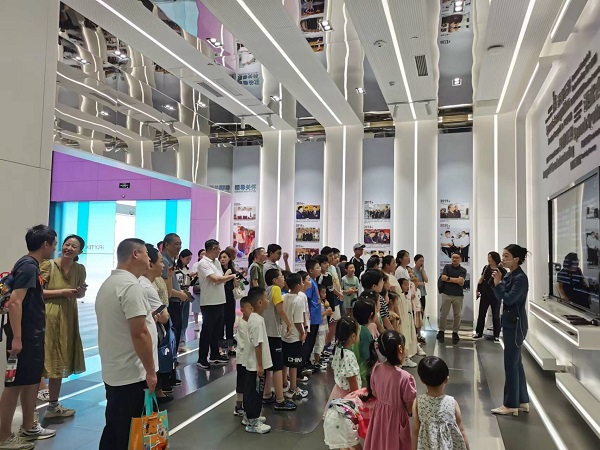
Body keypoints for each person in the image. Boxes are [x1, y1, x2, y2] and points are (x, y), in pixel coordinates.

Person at [96, 238, 157, 450]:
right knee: (129, 433)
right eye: (147, 254)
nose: (149, 259)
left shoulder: (109, 284)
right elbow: (139, 333)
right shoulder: (130, 286)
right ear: (135, 254)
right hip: (132, 374)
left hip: (115, 370)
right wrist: (151, 371)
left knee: (115, 427)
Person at [0, 225, 57, 449]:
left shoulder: (28, 265)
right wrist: (18, 338)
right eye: (54, 244)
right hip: (24, 337)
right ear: (45, 244)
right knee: (14, 385)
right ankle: (3, 436)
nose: (54, 248)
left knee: (31, 381)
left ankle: (28, 426)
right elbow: (15, 302)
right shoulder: (28, 267)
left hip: (31, 336)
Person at [39, 234, 87, 419]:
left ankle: (53, 405)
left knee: (59, 359)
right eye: (67, 244)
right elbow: (37, 293)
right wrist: (62, 292)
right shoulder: (48, 266)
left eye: (74, 246)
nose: (69, 248)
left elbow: (79, 295)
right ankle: (33, 410)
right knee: (44, 358)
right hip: (48, 317)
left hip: (67, 317)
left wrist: (79, 292)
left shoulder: (80, 269)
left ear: (80, 251)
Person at [491, 244, 530, 416]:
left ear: (516, 259)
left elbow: (508, 298)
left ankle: (510, 404)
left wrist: (499, 284)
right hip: (510, 323)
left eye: (506, 256)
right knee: (516, 363)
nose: (503, 258)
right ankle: (522, 400)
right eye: (503, 255)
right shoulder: (510, 275)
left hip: (515, 325)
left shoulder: (520, 278)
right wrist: (499, 283)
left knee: (511, 364)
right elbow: (500, 294)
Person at [362, 330, 417, 450]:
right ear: (400, 349)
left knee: (379, 441)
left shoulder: (376, 369)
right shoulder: (405, 377)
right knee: (393, 443)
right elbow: (409, 405)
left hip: (379, 414)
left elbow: (375, 392)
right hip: (396, 418)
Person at [413, 356, 469, 450]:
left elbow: (416, 430)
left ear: (422, 380)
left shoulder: (418, 402)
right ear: (446, 379)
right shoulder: (452, 402)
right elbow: (461, 429)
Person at [196, 239, 236, 370]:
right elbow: (215, 279)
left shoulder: (216, 262)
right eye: (218, 249)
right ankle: (202, 358)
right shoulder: (203, 263)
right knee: (207, 331)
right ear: (213, 249)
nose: (219, 251)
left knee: (217, 330)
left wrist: (227, 277)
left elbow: (220, 278)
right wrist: (231, 276)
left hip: (220, 300)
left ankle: (214, 355)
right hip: (209, 302)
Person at [140, 244, 171, 403]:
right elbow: (164, 316)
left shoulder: (149, 282)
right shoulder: (146, 286)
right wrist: (161, 311)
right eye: (160, 261)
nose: (163, 265)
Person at [238, 289, 272, 434]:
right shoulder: (257, 321)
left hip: (251, 364)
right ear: (259, 303)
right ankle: (253, 422)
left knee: (250, 390)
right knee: (256, 393)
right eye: (266, 298)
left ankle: (249, 417)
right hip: (256, 365)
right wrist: (260, 365)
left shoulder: (253, 318)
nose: (268, 301)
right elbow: (258, 344)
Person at [262, 269, 295, 411]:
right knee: (277, 367)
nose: (284, 279)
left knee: (267, 367)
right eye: (281, 277)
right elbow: (280, 310)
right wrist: (289, 324)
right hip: (273, 334)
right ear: (274, 280)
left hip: (264, 333)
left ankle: (267, 394)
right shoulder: (275, 289)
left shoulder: (266, 290)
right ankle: (280, 400)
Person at [281, 273, 308, 400]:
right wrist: (302, 333)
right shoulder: (299, 300)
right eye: (302, 282)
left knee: (284, 362)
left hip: (283, 335)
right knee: (293, 364)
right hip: (294, 336)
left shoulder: (283, 297)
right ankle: (293, 388)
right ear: (297, 286)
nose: (303, 284)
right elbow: (298, 321)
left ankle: (284, 384)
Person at [325, 317, 361, 411]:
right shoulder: (349, 356)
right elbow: (352, 380)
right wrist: (356, 398)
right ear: (353, 336)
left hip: (338, 391)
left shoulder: (338, 349)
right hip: (348, 395)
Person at [161, 234, 188, 356]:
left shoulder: (171, 260)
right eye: (176, 244)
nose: (179, 247)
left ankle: (173, 359)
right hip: (170, 303)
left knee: (176, 332)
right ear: (166, 245)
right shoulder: (164, 261)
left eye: (180, 244)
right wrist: (179, 294)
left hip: (175, 301)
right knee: (172, 334)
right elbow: (164, 286)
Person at [473, 252, 506, 341]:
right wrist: (477, 290)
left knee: (496, 315)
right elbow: (481, 279)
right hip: (485, 293)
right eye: (488, 257)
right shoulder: (486, 268)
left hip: (495, 294)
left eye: (490, 257)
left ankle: (496, 335)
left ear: (494, 258)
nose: (488, 259)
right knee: (481, 313)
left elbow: (503, 283)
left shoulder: (502, 270)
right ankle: (478, 332)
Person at [437, 253, 467, 344]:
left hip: (458, 295)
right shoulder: (447, 267)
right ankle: (441, 331)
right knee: (443, 314)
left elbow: (461, 281)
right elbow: (443, 277)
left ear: (460, 259)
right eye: (453, 257)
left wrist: (449, 279)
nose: (454, 259)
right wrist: (456, 280)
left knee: (457, 315)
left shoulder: (463, 270)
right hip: (446, 294)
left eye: (457, 258)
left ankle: (455, 332)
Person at [301, 258, 322, 374]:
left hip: (316, 316)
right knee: (309, 341)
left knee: (312, 341)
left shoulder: (314, 281)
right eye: (317, 268)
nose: (320, 269)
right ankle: (304, 363)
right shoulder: (310, 283)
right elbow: (307, 300)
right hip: (312, 317)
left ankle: (308, 360)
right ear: (310, 270)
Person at [352, 297, 377, 387]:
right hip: (361, 373)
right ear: (371, 315)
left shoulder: (352, 327)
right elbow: (367, 355)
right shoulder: (364, 332)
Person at [218, 250, 239, 356]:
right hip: (220, 299)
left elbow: (237, 286)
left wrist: (236, 281)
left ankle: (231, 347)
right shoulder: (218, 271)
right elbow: (220, 282)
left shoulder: (233, 271)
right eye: (221, 257)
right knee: (220, 324)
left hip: (230, 299)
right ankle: (220, 348)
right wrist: (227, 275)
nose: (222, 259)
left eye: (225, 257)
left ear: (229, 258)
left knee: (230, 323)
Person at [175, 248, 194, 353]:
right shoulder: (176, 269)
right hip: (178, 296)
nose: (189, 261)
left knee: (185, 320)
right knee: (179, 320)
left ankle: (182, 341)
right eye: (187, 259)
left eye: (190, 259)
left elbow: (189, 283)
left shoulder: (186, 269)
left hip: (186, 295)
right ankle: (178, 342)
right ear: (181, 258)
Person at [413, 254, 428, 341]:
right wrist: (420, 283)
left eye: (423, 261)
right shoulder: (412, 270)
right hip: (415, 295)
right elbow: (413, 283)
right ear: (415, 261)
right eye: (420, 261)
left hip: (422, 294)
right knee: (416, 314)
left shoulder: (422, 271)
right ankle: (415, 333)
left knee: (421, 314)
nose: (422, 262)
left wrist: (422, 270)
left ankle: (419, 333)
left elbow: (426, 280)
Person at [190, 249, 205, 330]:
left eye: (205, 254)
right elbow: (194, 275)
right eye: (202, 254)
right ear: (199, 255)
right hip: (197, 287)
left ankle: (203, 323)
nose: (203, 255)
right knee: (195, 307)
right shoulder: (196, 264)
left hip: (205, 288)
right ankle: (196, 323)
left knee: (204, 307)